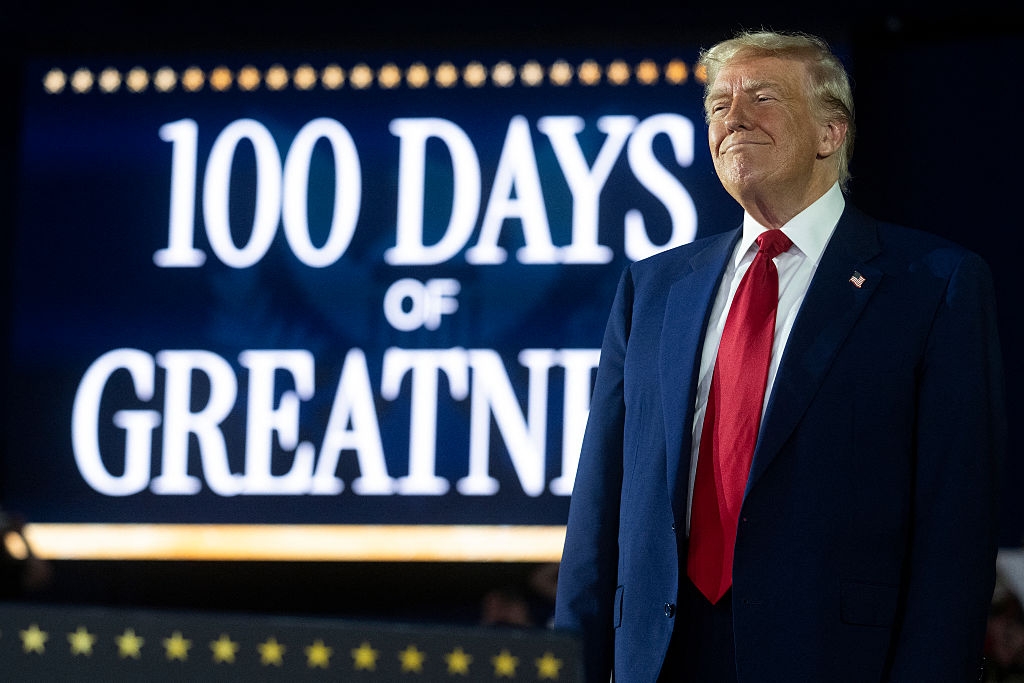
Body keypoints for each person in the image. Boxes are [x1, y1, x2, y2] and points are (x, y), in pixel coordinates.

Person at [554, 29, 1005, 682]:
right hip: (657, 657)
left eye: (761, 98)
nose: (732, 119)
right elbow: (599, 510)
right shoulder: (651, 289)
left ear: (831, 133)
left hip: (835, 658)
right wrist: (570, 662)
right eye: (717, 105)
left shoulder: (935, 285)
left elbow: (955, 534)